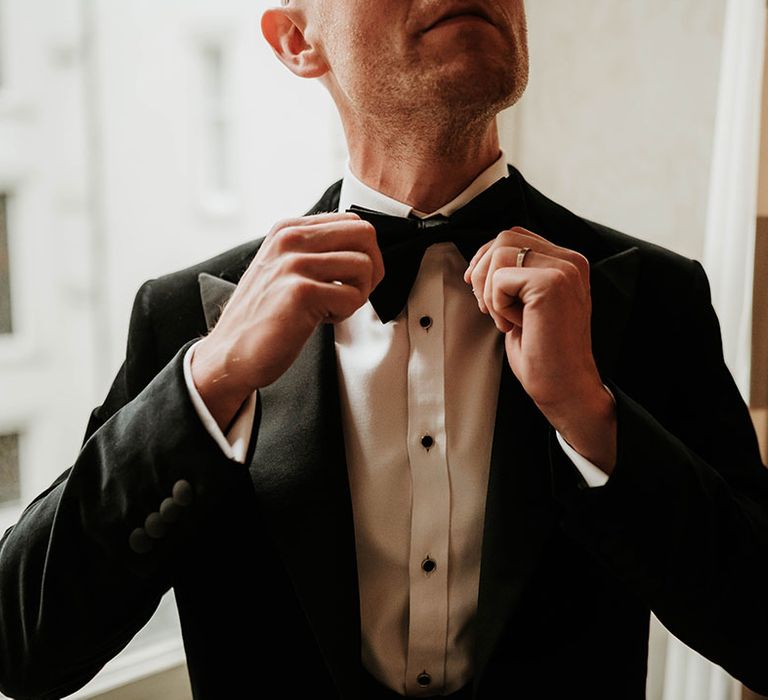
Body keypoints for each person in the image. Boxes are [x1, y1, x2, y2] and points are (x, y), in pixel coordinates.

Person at [2, 1, 768, 698]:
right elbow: (21, 648)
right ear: (299, 39)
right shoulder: (187, 320)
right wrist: (210, 380)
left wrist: (592, 417)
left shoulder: (654, 297)